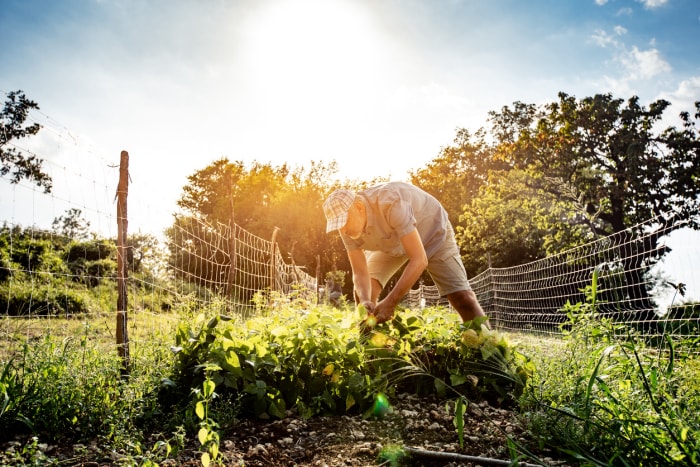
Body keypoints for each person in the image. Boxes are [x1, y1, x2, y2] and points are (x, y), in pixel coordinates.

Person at [323, 181, 487, 326]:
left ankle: (492, 352)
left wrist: (391, 302)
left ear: (359, 208)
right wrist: (365, 299)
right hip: (391, 242)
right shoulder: (346, 230)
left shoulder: (390, 203)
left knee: (463, 299)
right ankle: (373, 351)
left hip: (431, 232)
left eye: (344, 221)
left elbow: (419, 259)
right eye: (338, 224)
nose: (342, 229)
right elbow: (359, 272)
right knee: (365, 296)